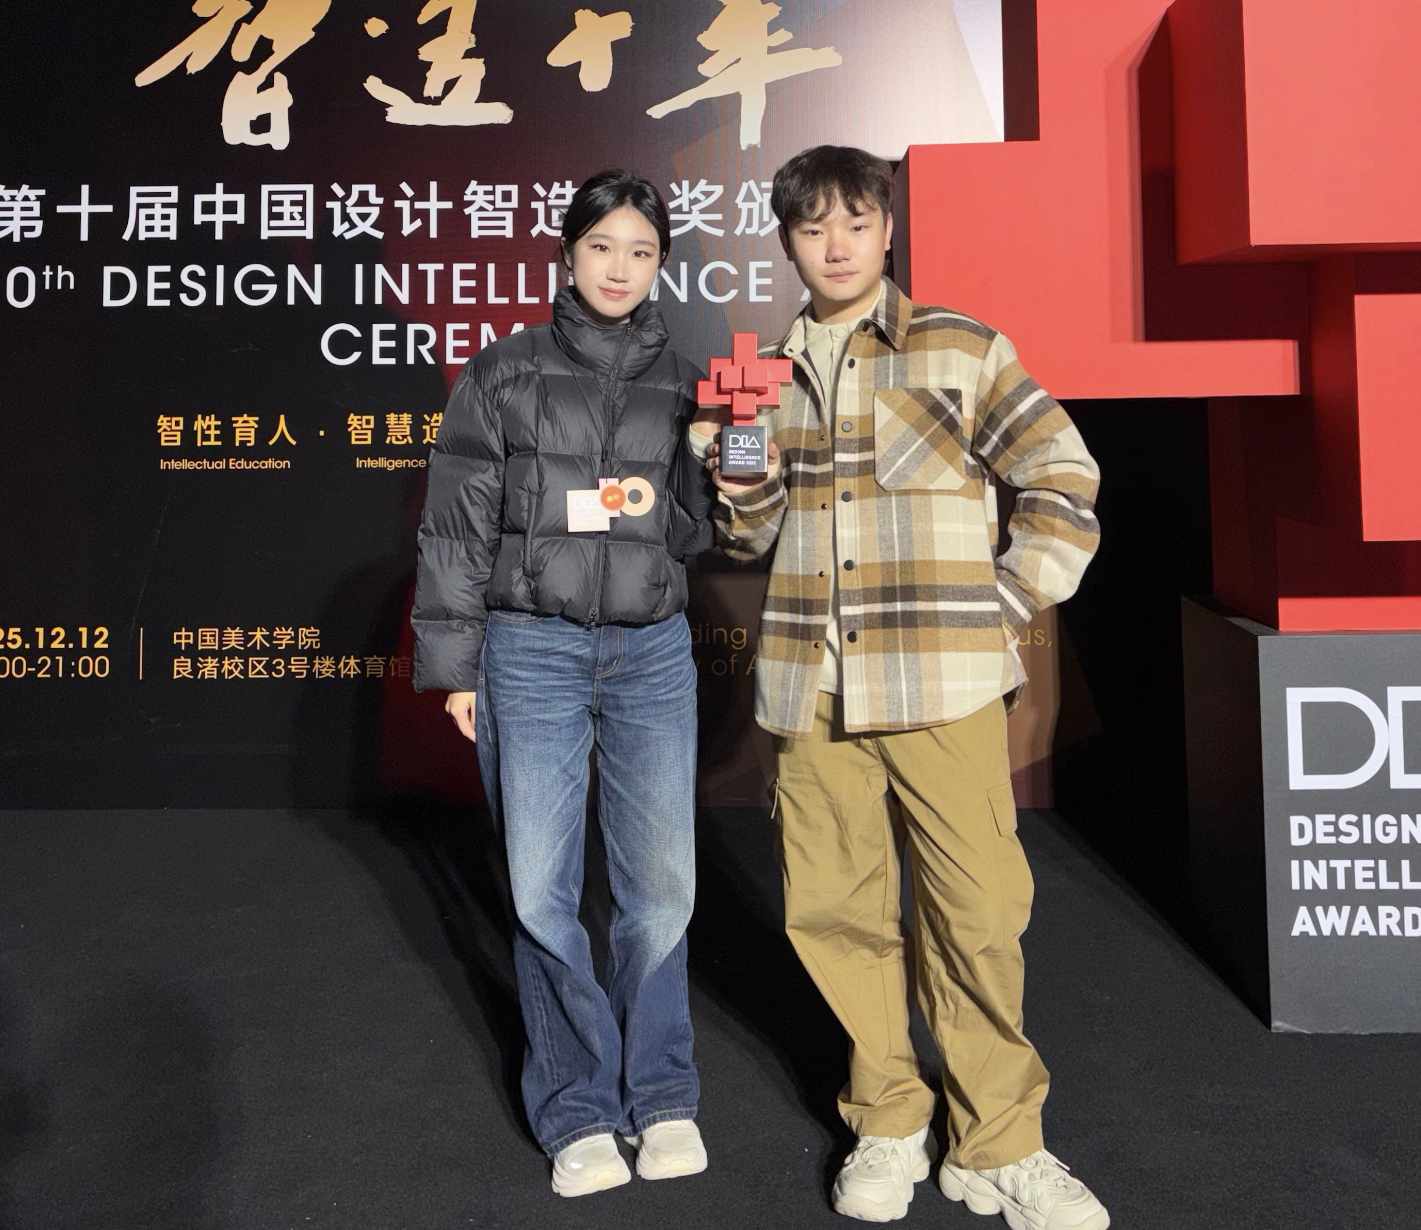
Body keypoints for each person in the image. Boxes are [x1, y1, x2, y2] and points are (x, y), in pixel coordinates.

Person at [694, 146, 1109, 1227]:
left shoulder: (959, 346)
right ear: (787, 243)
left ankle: (999, 1143)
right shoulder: (762, 373)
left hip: (943, 686)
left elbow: (1062, 473)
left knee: (979, 911)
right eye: (812, 227)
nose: (836, 245)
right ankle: (886, 1120)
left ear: (887, 229)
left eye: (855, 221)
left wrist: (1006, 601)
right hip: (812, 688)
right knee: (836, 911)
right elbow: (747, 536)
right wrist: (736, 470)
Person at [412, 170, 716, 1198]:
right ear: (567, 254)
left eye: (641, 251)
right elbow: (456, 525)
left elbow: (694, 533)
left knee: (661, 887)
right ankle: (578, 1104)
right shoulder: (503, 371)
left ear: (661, 263)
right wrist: (456, 665)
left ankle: (661, 1090)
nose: (620, 268)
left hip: (652, 650)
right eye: (602, 247)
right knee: (543, 888)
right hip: (530, 647)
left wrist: (722, 465)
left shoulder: (687, 382)